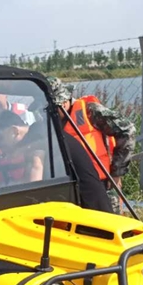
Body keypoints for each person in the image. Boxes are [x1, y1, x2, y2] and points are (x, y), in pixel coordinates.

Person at [48, 77, 136, 214]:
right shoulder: (49, 120)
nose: (50, 112)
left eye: (54, 107)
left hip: (102, 186)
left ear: (64, 102)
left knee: (109, 227)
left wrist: (116, 173)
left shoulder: (91, 112)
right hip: (69, 189)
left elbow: (127, 130)